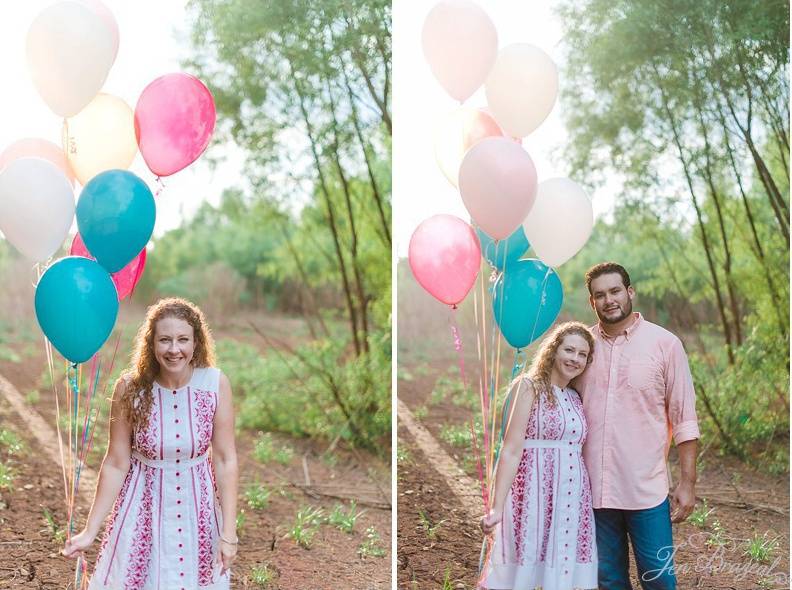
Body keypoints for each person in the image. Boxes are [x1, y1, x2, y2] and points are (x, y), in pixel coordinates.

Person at [63, 298, 239, 590]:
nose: (174, 349)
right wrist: (89, 530)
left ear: (196, 343)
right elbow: (116, 463)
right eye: (165, 340)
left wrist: (229, 532)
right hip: (141, 512)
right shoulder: (130, 388)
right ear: (151, 343)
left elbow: (225, 459)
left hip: (199, 515)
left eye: (183, 339)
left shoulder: (215, 384)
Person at [575, 262, 700, 590]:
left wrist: (687, 483)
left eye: (615, 291)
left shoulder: (665, 344)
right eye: (599, 295)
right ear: (592, 303)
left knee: (659, 581)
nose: (609, 300)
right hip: (595, 492)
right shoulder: (580, 348)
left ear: (630, 292)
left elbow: (685, 419)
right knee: (608, 580)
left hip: (646, 492)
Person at [480, 321, 598, 590]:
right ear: (554, 350)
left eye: (582, 354)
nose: (575, 359)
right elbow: (510, 449)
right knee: (523, 567)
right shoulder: (528, 387)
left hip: (571, 497)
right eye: (569, 350)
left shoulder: (575, 397)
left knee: (562, 570)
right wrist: (497, 507)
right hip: (532, 494)